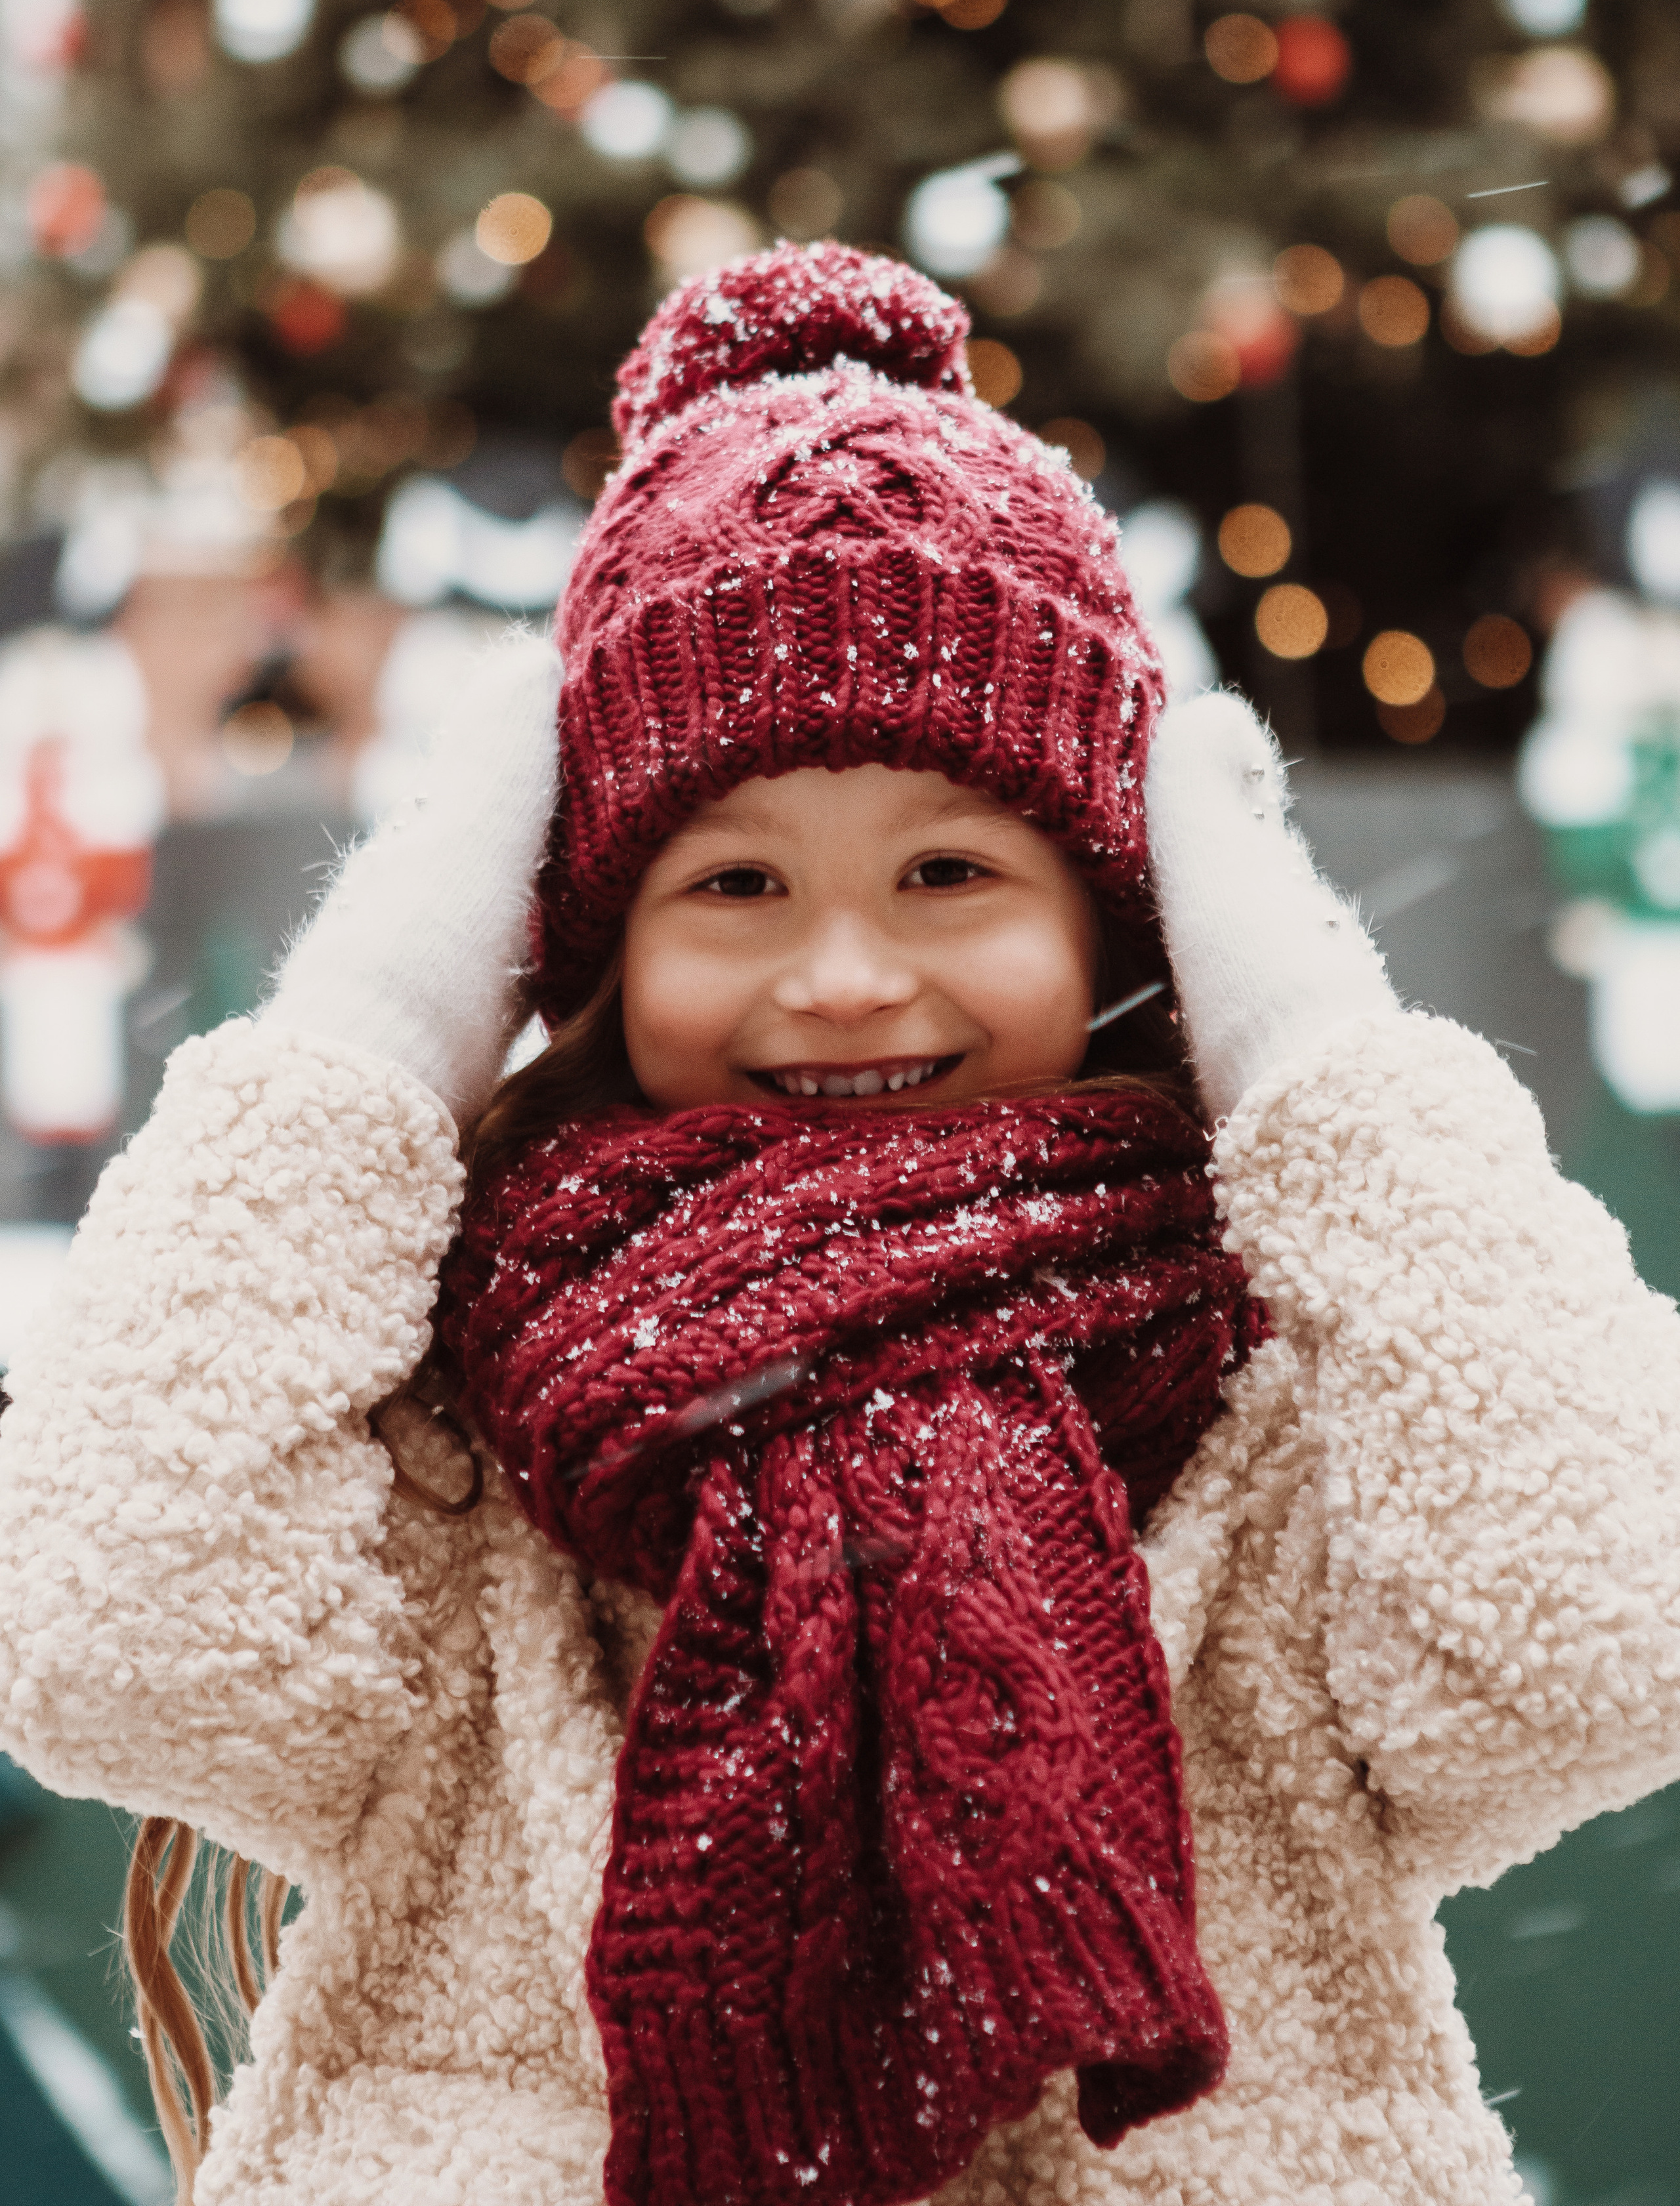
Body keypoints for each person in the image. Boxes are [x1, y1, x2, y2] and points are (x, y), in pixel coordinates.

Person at [1, 243, 1678, 2206]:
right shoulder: (451, 1434)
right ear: (587, 947)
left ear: (1124, 920)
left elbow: (1612, 1636)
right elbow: (105, 1636)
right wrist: (382, 1011)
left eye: (953, 867)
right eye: (734, 887)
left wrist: (1310, 1030)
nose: (851, 974)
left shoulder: (1289, 1402)